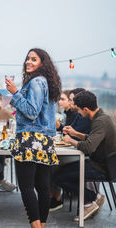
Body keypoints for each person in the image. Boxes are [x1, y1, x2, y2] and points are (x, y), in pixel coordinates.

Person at [5, 48, 61, 228]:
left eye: (34, 59)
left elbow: (31, 112)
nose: (28, 62)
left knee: (27, 186)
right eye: (28, 59)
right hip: (45, 140)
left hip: (30, 139)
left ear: (42, 63)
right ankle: (41, 225)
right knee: (43, 187)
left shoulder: (36, 82)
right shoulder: (47, 83)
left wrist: (15, 92)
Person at [54, 90, 116, 222]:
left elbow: (88, 147)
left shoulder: (100, 121)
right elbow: (92, 139)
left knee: (59, 177)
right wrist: (76, 134)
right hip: (99, 163)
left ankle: (90, 200)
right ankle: (91, 199)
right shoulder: (101, 118)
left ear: (86, 109)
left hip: (102, 167)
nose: (79, 114)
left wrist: (71, 140)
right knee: (61, 173)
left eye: (80, 111)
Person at [50, 88, 91, 211]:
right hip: (74, 151)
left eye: (73, 100)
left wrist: (60, 128)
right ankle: (55, 197)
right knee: (50, 163)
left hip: (81, 155)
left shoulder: (83, 116)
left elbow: (73, 135)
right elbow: (69, 131)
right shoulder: (77, 115)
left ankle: (56, 198)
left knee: (50, 164)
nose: (72, 103)